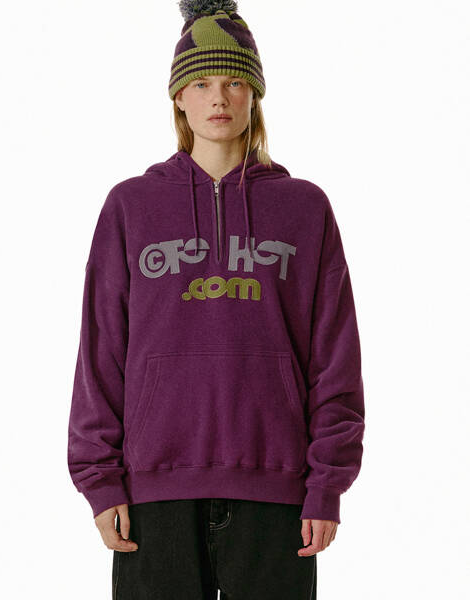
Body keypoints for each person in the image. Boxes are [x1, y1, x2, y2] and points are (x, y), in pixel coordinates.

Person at [67, 1, 365, 598]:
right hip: (153, 491)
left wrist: (326, 484)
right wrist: (99, 479)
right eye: (201, 83)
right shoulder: (131, 206)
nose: (218, 98)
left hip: (278, 491)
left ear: (255, 94)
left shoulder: (305, 208)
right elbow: (101, 352)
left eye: (233, 81)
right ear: (179, 97)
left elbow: (335, 356)